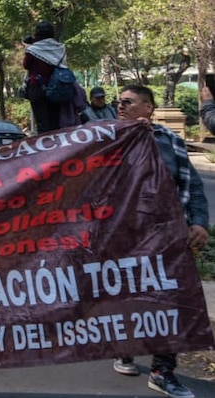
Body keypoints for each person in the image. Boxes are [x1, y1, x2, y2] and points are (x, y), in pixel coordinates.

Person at [112, 84, 208, 398]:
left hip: (168, 238)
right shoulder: (106, 140)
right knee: (129, 298)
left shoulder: (172, 142)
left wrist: (199, 222)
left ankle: (162, 371)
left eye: (128, 102)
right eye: (118, 102)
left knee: (173, 303)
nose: (121, 106)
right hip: (126, 237)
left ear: (149, 107)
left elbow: (192, 185)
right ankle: (124, 349)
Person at [21, 21, 68, 133]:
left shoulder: (33, 49)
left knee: (42, 125)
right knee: (55, 123)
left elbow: (26, 65)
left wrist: (28, 47)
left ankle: (45, 147)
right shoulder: (60, 48)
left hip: (37, 89)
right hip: (57, 89)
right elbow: (64, 66)